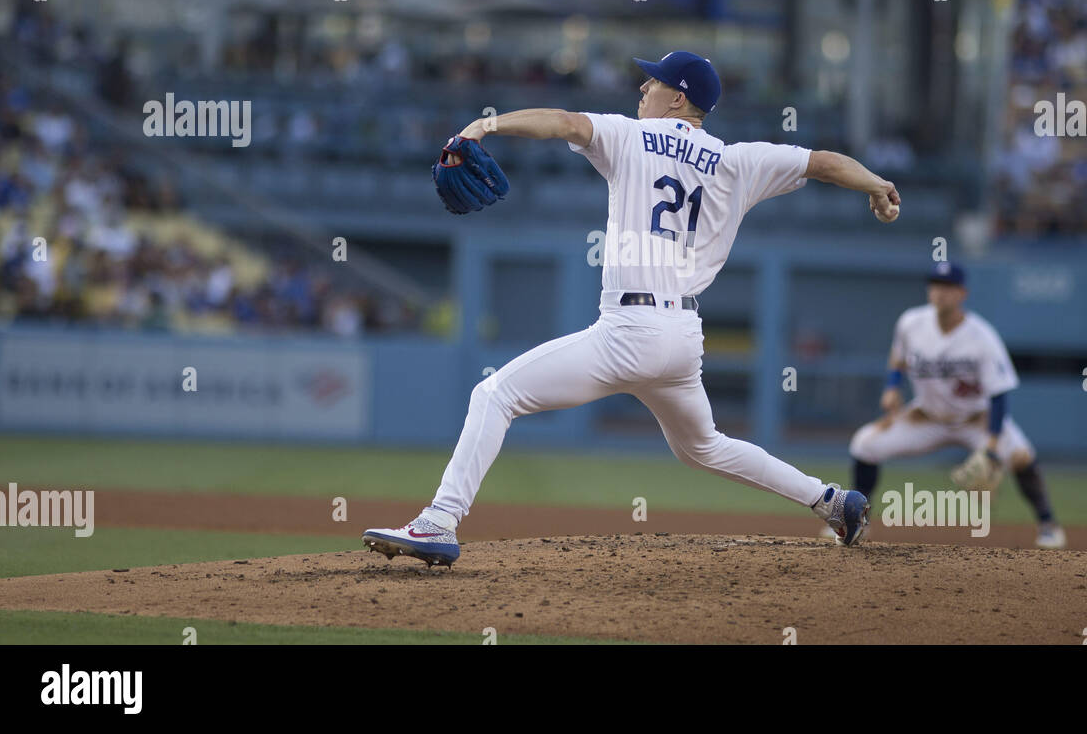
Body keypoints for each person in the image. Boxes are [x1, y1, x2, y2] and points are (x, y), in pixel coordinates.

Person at [363, 50, 902, 566]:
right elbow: (825, 163)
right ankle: (834, 503)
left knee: (494, 393)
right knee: (704, 448)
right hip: (683, 337)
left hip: (630, 328)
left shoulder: (632, 135)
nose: (643, 87)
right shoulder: (738, 160)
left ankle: (439, 520)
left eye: (654, 81)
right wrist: (877, 185)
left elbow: (562, 121)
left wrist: (485, 126)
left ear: (676, 99)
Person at [847, 262, 1065, 549]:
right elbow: (897, 358)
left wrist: (992, 445)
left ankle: (1048, 523)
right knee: (865, 444)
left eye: (947, 287)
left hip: (976, 420)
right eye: (935, 285)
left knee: (1022, 456)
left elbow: (999, 394)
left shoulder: (982, 338)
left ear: (962, 293)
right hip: (925, 416)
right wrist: (892, 388)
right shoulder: (910, 323)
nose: (940, 292)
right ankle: (856, 520)